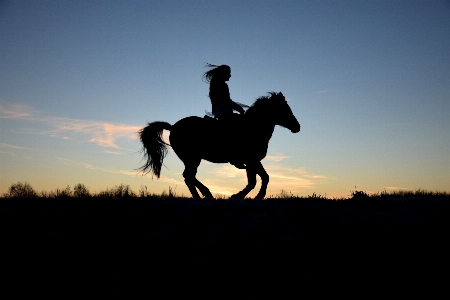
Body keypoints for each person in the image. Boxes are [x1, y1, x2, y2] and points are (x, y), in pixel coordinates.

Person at [202, 64, 247, 169]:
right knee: (239, 130)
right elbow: (227, 101)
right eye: (229, 73)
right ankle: (236, 157)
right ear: (223, 73)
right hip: (224, 113)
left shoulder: (216, 83)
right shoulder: (221, 85)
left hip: (221, 112)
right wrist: (239, 109)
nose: (230, 75)